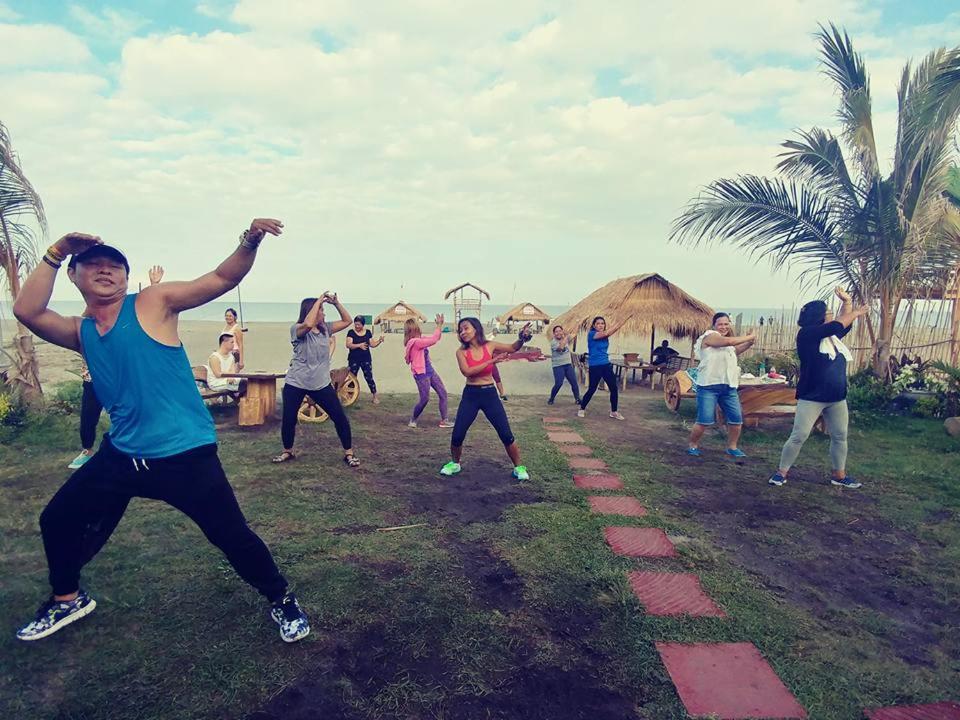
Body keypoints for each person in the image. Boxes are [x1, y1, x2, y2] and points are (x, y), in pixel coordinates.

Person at [12, 220, 310, 643]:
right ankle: (67, 598)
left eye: (115, 264)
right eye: (92, 263)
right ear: (73, 276)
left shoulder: (152, 303)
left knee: (230, 535)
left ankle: (281, 597)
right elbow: (26, 311)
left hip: (184, 454)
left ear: (126, 277)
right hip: (122, 456)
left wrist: (250, 240)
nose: (105, 269)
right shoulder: (81, 332)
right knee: (57, 517)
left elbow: (222, 278)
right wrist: (56, 250)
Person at [769, 288, 869, 488]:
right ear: (820, 316)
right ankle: (781, 473)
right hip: (812, 396)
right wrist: (857, 312)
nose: (831, 314)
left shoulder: (831, 338)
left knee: (840, 436)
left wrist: (847, 302)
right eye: (828, 312)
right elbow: (839, 323)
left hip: (836, 397)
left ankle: (839, 475)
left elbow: (842, 323)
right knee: (799, 435)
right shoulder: (808, 334)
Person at [69, 265, 164, 470]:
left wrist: (154, 286)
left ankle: (137, 449)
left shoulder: (123, 325)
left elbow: (147, 309)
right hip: (92, 379)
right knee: (88, 417)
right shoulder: (87, 325)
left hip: (119, 379)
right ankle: (87, 450)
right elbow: (86, 316)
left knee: (128, 414)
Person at [274, 293, 359, 467]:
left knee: (340, 417)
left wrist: (336, 303)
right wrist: (319, 300)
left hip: (321, 384)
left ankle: (349, 454)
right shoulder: (297, 329)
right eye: (321, 310)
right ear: (311, 311)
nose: (324, 313)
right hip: (296, 382)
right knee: (289, 418)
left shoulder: (325, 329)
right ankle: (287, 451)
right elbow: (308, 324)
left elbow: (347, 320)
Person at [441, 318, 532, 480]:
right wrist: (492, 360)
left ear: (476, 329)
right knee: (457, 434)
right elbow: (467, 371)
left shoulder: (490, 345)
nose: (463, 332)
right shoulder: (461, 352)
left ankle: (518, 467)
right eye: (460, 330)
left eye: (466, 328)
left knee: (506, 434)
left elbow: (513, 348)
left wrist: (522, 338)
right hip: (471, 395)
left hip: (490, 394)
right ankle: (455, 464)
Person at [687, 312, 755, 458]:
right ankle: (693, 444)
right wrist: (750, 336)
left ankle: (732, 447)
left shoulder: (726, 344)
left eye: (726, 324)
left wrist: (749, 343)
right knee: (704, 420)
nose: (723, 327)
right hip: (708, 387)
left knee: (736, 419)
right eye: (720, 324)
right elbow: (729, 342)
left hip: (728, 387)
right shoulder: (710, 336)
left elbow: (735, 350)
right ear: (714, 325)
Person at [404, 314, 454, 428]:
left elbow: (436, 338)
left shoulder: (420, 339)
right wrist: (439, 325)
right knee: (424, 399)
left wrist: (439, 326)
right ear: (413, 330)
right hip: (421, 374)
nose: (420, 329)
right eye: (417, 327)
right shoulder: (415, 342)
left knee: (443, 394)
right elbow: (434, 340)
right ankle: (413, 420)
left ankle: (444, 420)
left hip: (430, 371)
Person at [577, 316, 626, 420]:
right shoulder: (592, 334)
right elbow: (608, 332)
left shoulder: (605, 335)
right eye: (598, 323)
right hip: (595, 366)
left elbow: (607, 333)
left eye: (602, 323)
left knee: (614, 388)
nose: (600, 325)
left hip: (606, 364)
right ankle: (582, 408)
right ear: (594, 325)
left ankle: (614, 412)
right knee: (592, 389)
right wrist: (622, 321)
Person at [346, 315, 383, 405]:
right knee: (351, 378)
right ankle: (350, 396)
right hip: (353, 359)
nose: (357, 326)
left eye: (358, 325)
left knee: (369, 377)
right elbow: (348, 344)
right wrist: (359, 345)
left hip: (366, 359)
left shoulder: (368, 332)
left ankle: (375, 396)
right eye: (355, 324)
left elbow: (372, 344)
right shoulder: (351, 332)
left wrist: (379, 341)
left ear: (363, 324)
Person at [547, 325, 581, 405]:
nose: (558, 333)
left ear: (562, 331)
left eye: (560, 331)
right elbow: (560, 348)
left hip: (568, 365)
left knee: (574, 382)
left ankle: (577, 399)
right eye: (556, 331)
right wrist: (565, 337)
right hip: (558, 366)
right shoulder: (553, 342)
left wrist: (576, 326)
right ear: (554, 334)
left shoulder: (565, 338)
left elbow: (574, 334)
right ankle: (551, 398)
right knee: (559, 383)